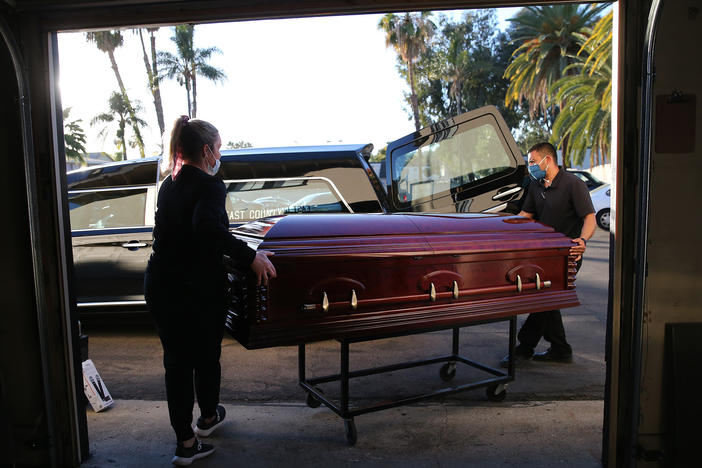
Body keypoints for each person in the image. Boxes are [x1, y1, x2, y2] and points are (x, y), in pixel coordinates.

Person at [144, 115, 276, 466]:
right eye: (218, 148)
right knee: (204, 356)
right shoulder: (210, 185)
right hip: (194, 290)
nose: (220, 154)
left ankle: (186, 440)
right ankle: (204, 421)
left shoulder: (168, 185)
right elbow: (207, 229)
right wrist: (252, 258)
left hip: (161, 283)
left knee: (176, 362)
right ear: (206, 151)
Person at [500, 142, 595, 368]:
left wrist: (582, 240)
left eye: (532, 161)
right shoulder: (536, 185)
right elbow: (526, 214)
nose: (530, 166)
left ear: (548, 160)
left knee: (545, 298)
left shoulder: (573, 184)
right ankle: (560, 349)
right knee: (548, 298)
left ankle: (525, 347)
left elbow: (590, 218)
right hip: (542, 255)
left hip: (568, 254)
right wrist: (500, 222)